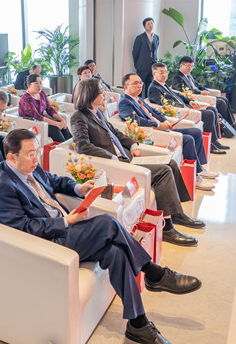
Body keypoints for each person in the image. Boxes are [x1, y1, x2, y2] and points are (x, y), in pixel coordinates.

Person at [0, 129, 201, 344]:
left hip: (63, 231)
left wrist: (78, 188)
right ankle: (154, 273)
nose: (36, 158)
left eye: (37, 151)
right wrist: (66, 221)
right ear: (11, 157)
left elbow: (54, 180)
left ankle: (138, 323)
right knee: (108, 223)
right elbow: (24, 229)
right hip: (47, 244)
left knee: (116, 251)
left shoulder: (30, 167)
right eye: (30, 154)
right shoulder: (2, 187)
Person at [70, 78, 205, 247]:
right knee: (164, 172)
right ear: (90, 94)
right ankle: (167, 228)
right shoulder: (79, 117)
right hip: (115, 164)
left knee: (170, 163)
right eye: (100, 92)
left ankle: (176, 213)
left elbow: (116, 133)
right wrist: (110, 157)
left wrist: (133, 144)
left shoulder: (97, 113)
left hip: (126, 158)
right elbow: (82, 145)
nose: (104, 94)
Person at [118, 73, 218, 190]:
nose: (139, 86)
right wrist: (158, 124)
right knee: (187, 139)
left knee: (196, 132)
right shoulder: (124, 102)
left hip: (162, 127)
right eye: (135, 83)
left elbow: (154, 111)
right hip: (153, 132)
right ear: (126, 86)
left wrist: (164, 120)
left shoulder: (138, 99)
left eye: (140, 83)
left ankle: (199, 168)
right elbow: (135, 120)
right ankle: (195, 177)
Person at [148, 63, 229, 154]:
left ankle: (214, 141)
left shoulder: (163, 84)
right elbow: (163, 103)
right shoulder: (153, 88)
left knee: (212, 109)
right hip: (179, 112)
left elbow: (177, 94)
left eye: (166, 72)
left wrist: (189, 101)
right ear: (154, 74)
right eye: (161, 72)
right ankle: (211, 145)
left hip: (185, 107)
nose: (164, 75)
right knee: (209, 114)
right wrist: (183, 106)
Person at [171, 56, 236, 133]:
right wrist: (200, 92)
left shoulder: (188, 75)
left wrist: (205, 90)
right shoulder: (177, 77)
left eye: (192, 66)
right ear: (181, 65)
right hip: (195, 98)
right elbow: (182, 91)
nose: (190, 68)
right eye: (188, 66)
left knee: (224, 99)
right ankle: (230, 126)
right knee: (221, 102)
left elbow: (197, 84)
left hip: (200, 95)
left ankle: (232, 123)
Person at [19, 73, 71, 142]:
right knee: (55, 129)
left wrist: (62, 121)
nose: (39, 85)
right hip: (32, 124)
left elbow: (50, 109)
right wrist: (57, 124)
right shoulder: (26, 98)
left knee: (63, 126)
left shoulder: (41, 94)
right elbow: (37, 117)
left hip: (42, 121)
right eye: (36, 83)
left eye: (40, 83)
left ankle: (73, 145)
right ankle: (62, 147)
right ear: (29, 85)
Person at [132, 17, 159, 96]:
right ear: (144, 26)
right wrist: (137, 65)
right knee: (139, 87)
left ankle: (148, 102)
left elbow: (155, 50)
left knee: (150, 87)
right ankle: (138, 101)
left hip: (152, 66)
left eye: (151, 23)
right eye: (148, 24)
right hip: (142, 67)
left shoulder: (156, 37)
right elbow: (135, 53)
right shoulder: (140, 38)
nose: (150, 25)